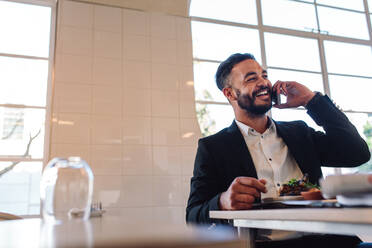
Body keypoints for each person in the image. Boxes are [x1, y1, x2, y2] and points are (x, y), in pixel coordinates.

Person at [186, 53, 371, 247]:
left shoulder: (300, 132)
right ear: (230, 93)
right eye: (252, 78)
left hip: (328, 241)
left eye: (264, 76)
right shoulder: (213, 148)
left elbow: (357, 153)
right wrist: (223, 201)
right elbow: (193, 216)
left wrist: (311, 100)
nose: (264, 82)